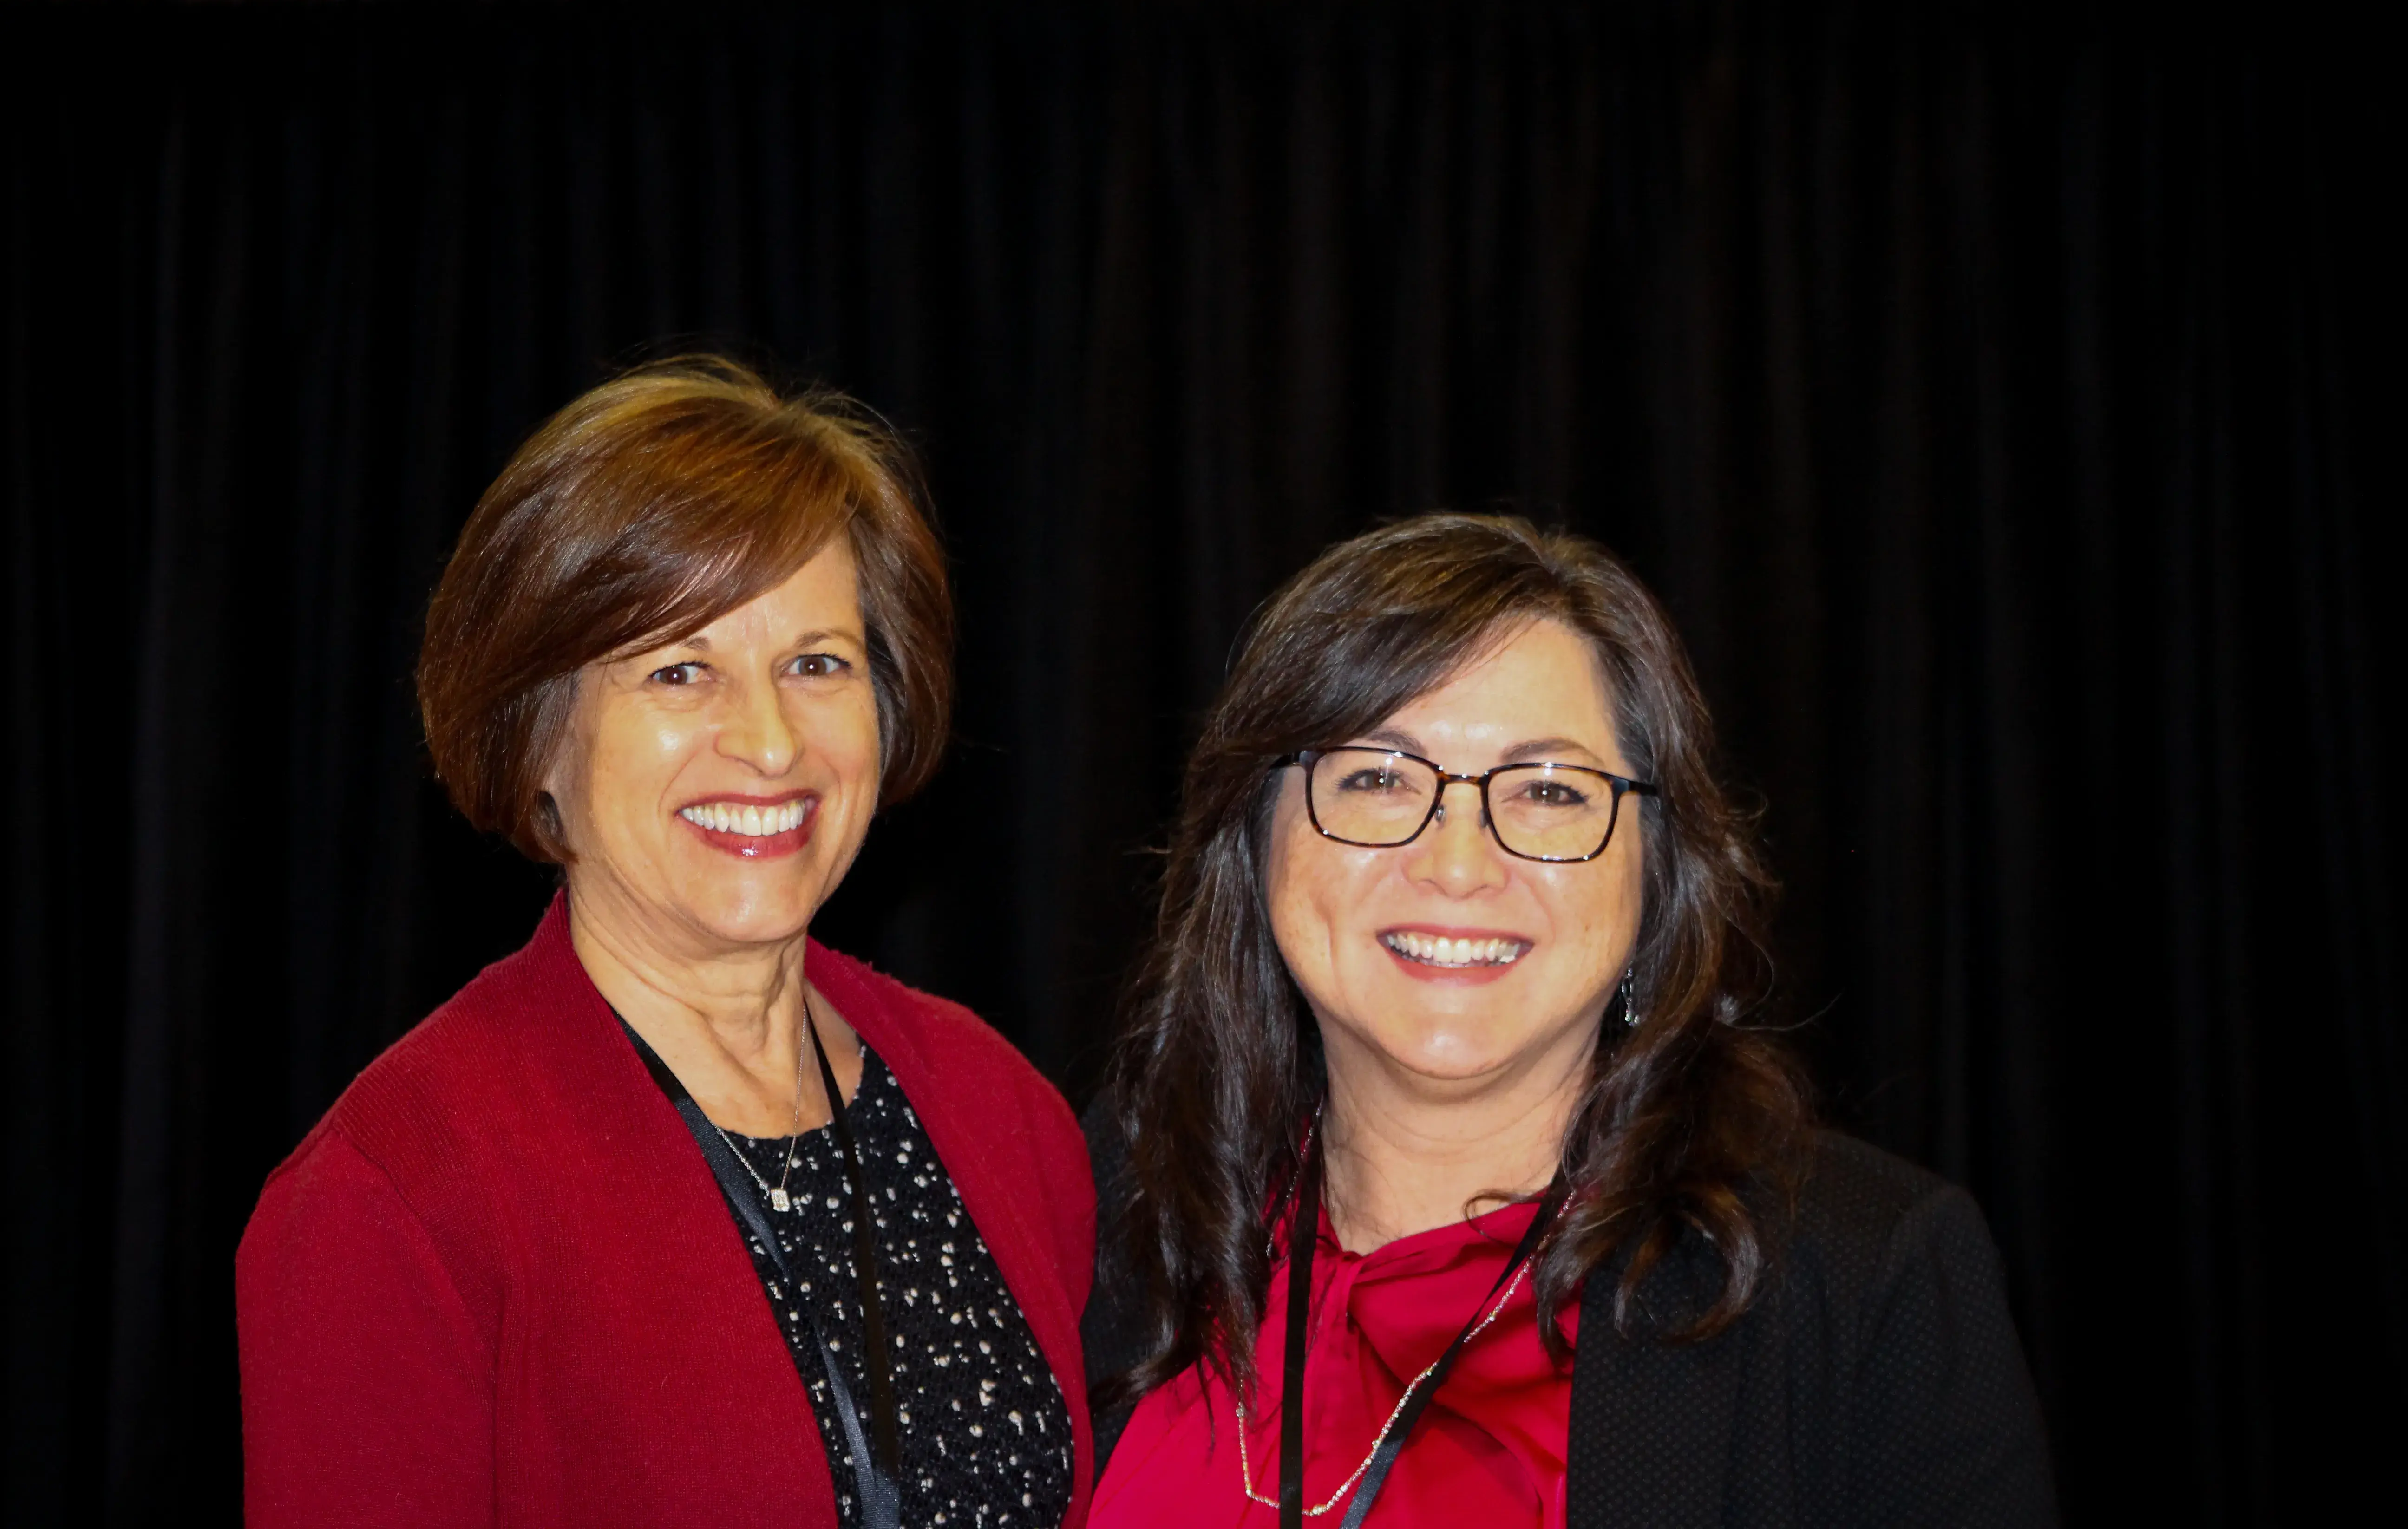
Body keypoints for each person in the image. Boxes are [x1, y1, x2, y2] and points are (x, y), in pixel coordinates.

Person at [239, 358, 1096, 1529]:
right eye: (681, 669)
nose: (768, 740)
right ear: (540, 738)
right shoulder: (395, 1197)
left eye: (816, 664)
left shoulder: (1006, 1116)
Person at [1081, 514, 2056, 1529]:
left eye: (1548, 791)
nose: (1457, 864)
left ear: (1659, 870)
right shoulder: (1108, 1204)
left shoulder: (1864, 1285)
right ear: (1253, 838)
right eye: (1378, 777)